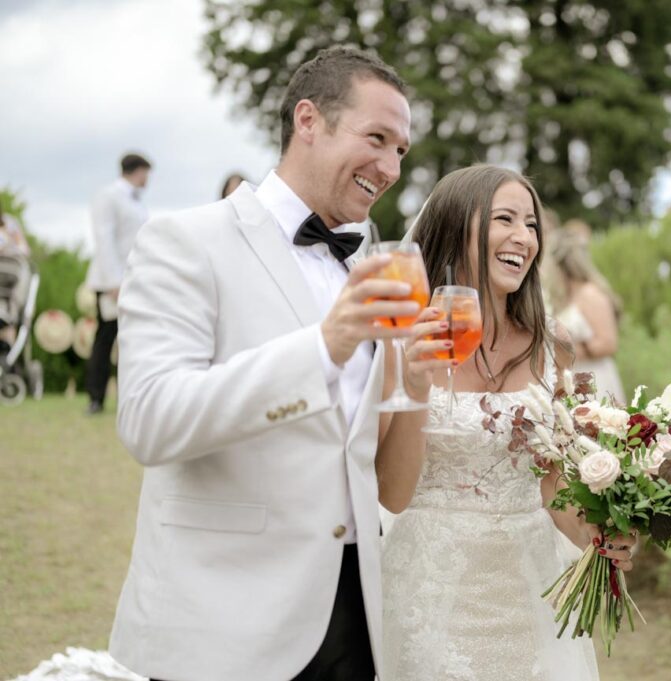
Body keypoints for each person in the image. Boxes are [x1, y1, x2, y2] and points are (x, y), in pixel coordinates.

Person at [108, 46, 443, 681]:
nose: (393, 166)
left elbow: (379, 478)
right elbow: (150, 422)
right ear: (308, 120)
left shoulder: (370, 264)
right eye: (378, 137)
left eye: (402, 149)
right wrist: (324, 346)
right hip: (224, 627)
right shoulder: (185, 242)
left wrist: (415, 382)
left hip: (353, 619)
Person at [379, 164, 637, 680]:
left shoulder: (553, 345)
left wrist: (599, 534)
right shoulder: (404, 338)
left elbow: (551, 483)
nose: (525, 237)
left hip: (530, 587)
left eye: (532, 224)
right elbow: (391, 494)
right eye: (505, 219)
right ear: (457, 228)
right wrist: (416, 380)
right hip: (432, 589)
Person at [83, 152, 151, 415]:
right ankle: (96, 397)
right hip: (110, 282)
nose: (148, 179)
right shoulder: (108, 196)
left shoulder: (136, 202)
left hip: (132, 279)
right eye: (146, 173)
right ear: (138, 170)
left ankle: (130, 395)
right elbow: (104, 238)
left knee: (131, 339)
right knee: (105, 339)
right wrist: (114, 281)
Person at [541, 227, 626, 404]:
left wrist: (571, 350)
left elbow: (609, 342)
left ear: (560, 266)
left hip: (596, 378)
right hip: (570, 379)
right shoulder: (565, 298)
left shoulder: (591, 294)